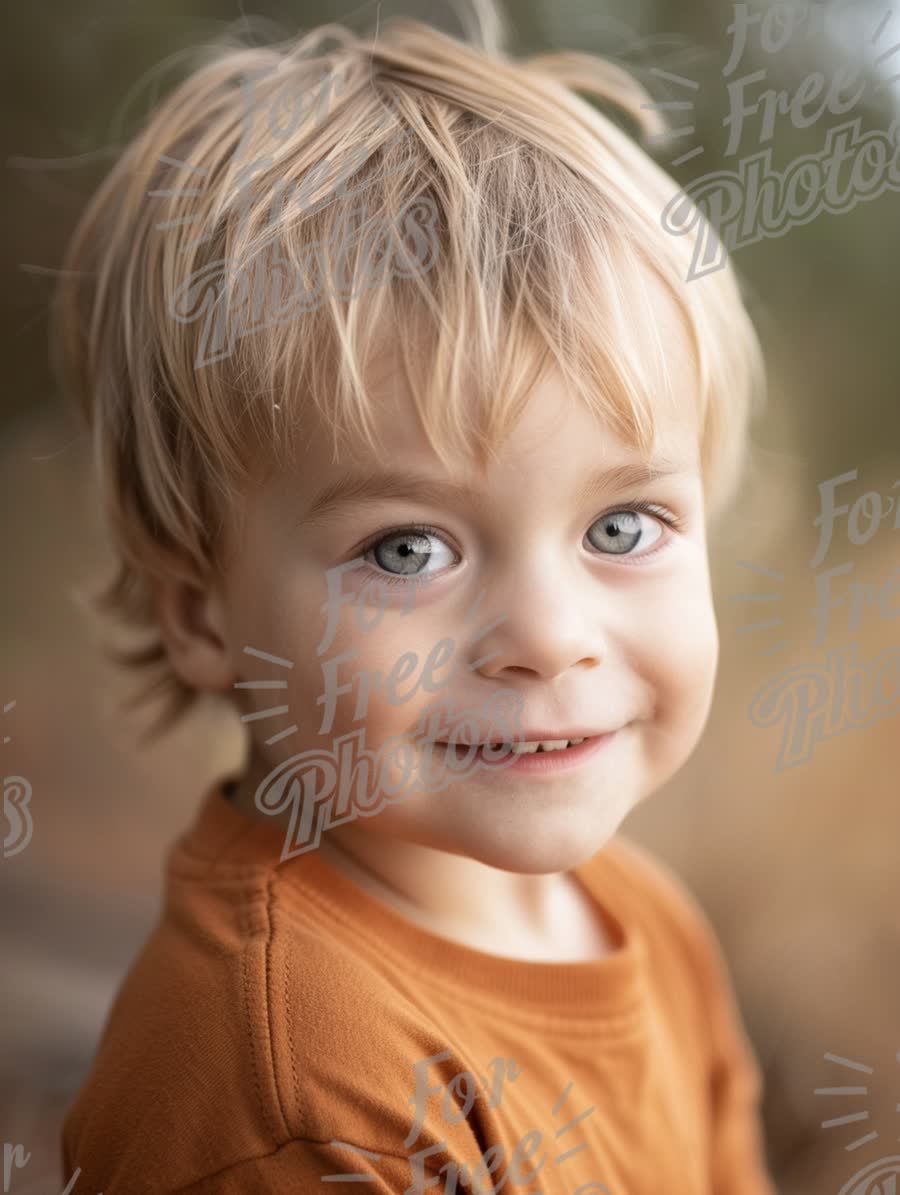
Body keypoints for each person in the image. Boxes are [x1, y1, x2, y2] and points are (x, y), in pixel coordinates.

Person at [56, 2, 775, 1190]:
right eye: (406, 551)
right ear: (198, 611)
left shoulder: (643, 920)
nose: (548, 637)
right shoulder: (294, 1087)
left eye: (622, 525)